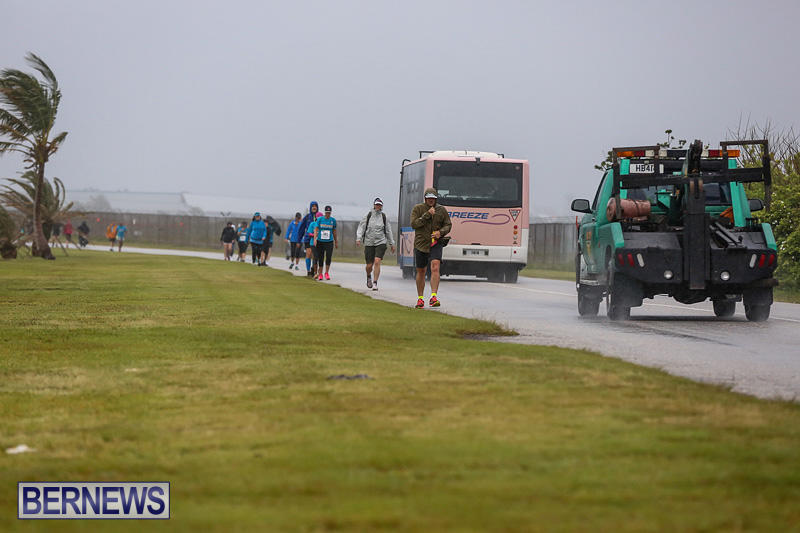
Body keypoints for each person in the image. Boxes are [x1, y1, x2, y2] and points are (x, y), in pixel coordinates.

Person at [410, 187, 452, 308]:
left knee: (435, 267)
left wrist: (441, 232)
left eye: (433, 198)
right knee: (421, 271)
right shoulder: (418, 208)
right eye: (429, 198)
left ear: (436, 199)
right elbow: (414, 224)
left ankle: (434, 297)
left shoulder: (441, 210)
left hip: (436, 243)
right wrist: (427, 215)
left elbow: (448, 225)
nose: (431, 200)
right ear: (425, 198)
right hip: (421, 244)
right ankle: (420, 298)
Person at [356, 197, 395, 291]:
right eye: (376, 204)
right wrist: (358, 238)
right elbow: (361, 227)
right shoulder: (368, 215)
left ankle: (375, 282)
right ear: (374, 205)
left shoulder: (384, 217)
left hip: (381, 242)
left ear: (381, 206)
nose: (378, 206)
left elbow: (388, 231)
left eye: (379, 205)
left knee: (377, 261)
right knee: (369, 265)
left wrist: (392, 243)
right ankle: (368, 276)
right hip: (369, 242)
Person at [314, 205, 338, 280]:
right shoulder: (320, 219)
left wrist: (336, 241)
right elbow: (316, 229)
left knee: (328, 257)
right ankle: (320, 274)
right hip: (320, 241)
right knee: (320, 257)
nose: (328, 214)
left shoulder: (333, 220)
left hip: (329, 241)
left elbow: (334, 231)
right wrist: (315, 239)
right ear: (325, 212)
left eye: (329, 213)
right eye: (327, 212)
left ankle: (326, 273)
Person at [297, 201, 320, 277]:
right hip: (308, 238)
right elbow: (301, 229)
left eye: (315, 206)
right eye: (313, 206)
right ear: (310, 207)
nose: (314, 207)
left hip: (317, 239)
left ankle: (313, 268)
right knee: (308, 253)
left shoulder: (319, 216)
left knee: (315, 255)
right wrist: (299, 240)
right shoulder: (307, 217)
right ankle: (308, 271)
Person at [307, 212, 322, 278]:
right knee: (315, 257)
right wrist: (315, 235)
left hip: (321, 243)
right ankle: (314, 272)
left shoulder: (322, 225)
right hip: (313, 243)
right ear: (316, 217)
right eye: (318, 218)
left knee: (320, 258)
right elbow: (309, 233)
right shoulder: (312, 224)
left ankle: (319, 272)